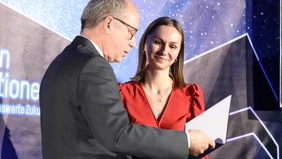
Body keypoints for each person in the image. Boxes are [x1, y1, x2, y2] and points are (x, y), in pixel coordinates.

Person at [40, 0, 215, 158]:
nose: (132, 42)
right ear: (109, 24)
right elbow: (117, 135)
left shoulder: (61, 62)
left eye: (173, 46)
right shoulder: (94, 66)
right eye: (131, 33)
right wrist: (186, 142)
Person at [118, 17, 209, 159]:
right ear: (144, 45)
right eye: (157, 42)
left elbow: (200, 152)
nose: (164, 51)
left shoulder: (191, 95)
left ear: (178, 53)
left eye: (172, 46)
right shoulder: (122, 94)